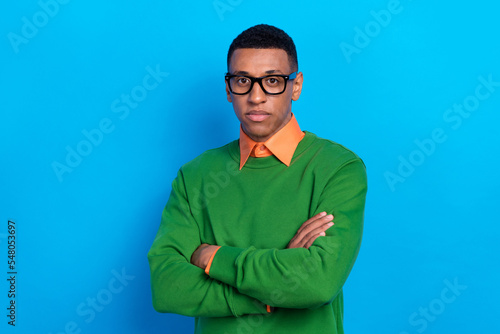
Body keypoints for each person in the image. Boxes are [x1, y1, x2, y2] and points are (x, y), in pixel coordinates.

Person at [147, 24, 367, 334]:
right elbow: (167, 286)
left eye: (273, 81)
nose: (256, 96)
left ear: (296, 86)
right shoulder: (195, 175)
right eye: (242, 81)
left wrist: (213, 258)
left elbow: (318, 283)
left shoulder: (338, 168)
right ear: (228, 89)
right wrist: (273, 287)